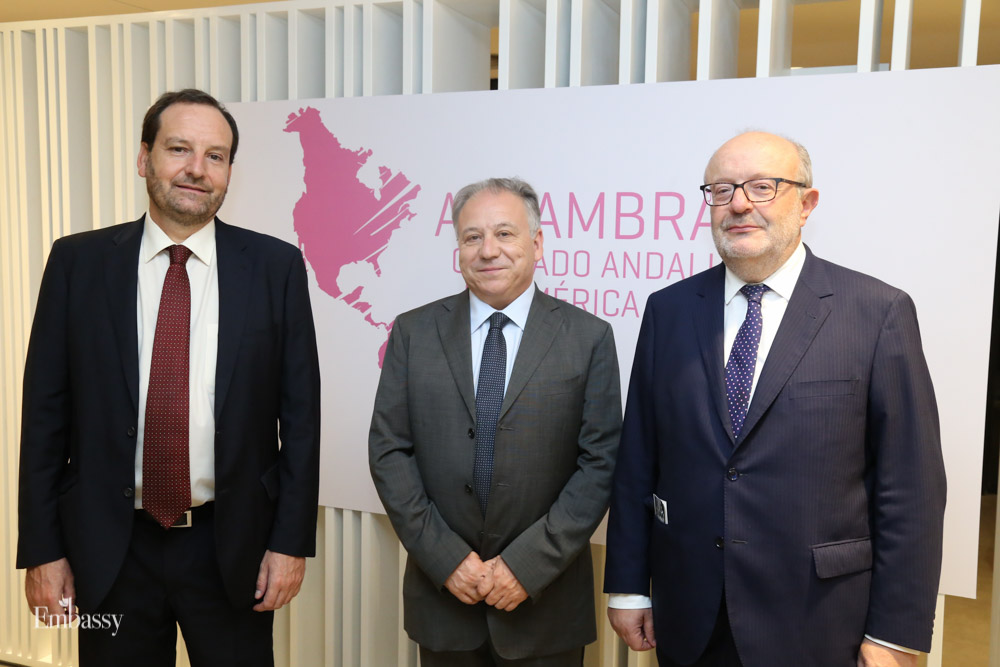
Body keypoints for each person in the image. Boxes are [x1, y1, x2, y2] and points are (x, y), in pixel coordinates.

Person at [603, 131, 946, 667]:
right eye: (722, 190)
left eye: (762, 187)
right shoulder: (669, 310)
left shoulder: (877, 312)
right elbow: (638, 459)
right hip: (691, 616)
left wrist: (895, 635)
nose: (739, 204)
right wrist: (628, 587)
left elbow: (911, 488)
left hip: (819, 621)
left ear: (806, 203)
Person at [16, 89, 321, 666]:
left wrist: (289, 543)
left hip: (231, 547)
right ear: (144, 158)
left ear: (229, 170)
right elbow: (44, 418)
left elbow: (302, 421)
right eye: (179, 149)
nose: (196, 169)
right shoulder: (77, 264)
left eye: (215, 156)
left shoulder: (275, 267)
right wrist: (43, 550)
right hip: (109, 550)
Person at [369, 177, 622, 665]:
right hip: (444, 603)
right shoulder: (413, 332)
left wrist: (526, 567)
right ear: (458, 249)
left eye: (505, 233)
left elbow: (600, 463)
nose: (488, 250)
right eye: (472, 237)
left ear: (537, 244)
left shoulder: (588, 338)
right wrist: (446, 559)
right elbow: (389, 451)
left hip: (545, 607)